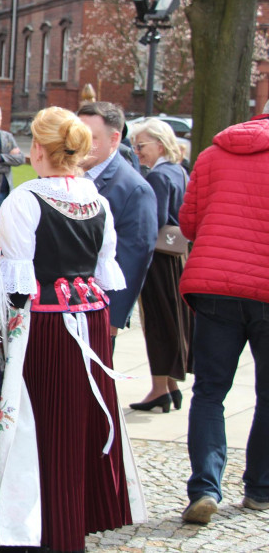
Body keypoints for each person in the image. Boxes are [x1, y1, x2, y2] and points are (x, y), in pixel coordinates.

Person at [0, 107, 144, 551]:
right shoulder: (97, 200)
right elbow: (103, 272)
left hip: (46, 324)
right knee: (77, 420)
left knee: (41, 424)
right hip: (91, 320)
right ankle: (71, 524)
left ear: (37, 149)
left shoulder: (25, 200)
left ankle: (47, 531)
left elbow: (16, 285)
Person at [177, 114, 269, 524]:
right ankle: (260, 488)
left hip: (215, 284)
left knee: (210, 392)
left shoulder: (213, 154)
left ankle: (205, 487)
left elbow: (190, 222)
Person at [77, 101, 157, 349]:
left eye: (91, 137)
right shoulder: (62, 174)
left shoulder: (134, 188)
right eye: (77, 135)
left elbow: (134, 258)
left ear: (114, 139)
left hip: (98, 310)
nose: (80, 144)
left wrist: (115, 317)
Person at [128, 118, 192, 413]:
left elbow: (154, 221)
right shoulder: (178, 170)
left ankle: (159, 389)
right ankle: (169, 386)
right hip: (176, 257)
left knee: (158, 323)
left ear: (159, 143)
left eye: (141, 145)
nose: (137, 151)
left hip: (158, 260)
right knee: (169, 321)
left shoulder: (157, 177)